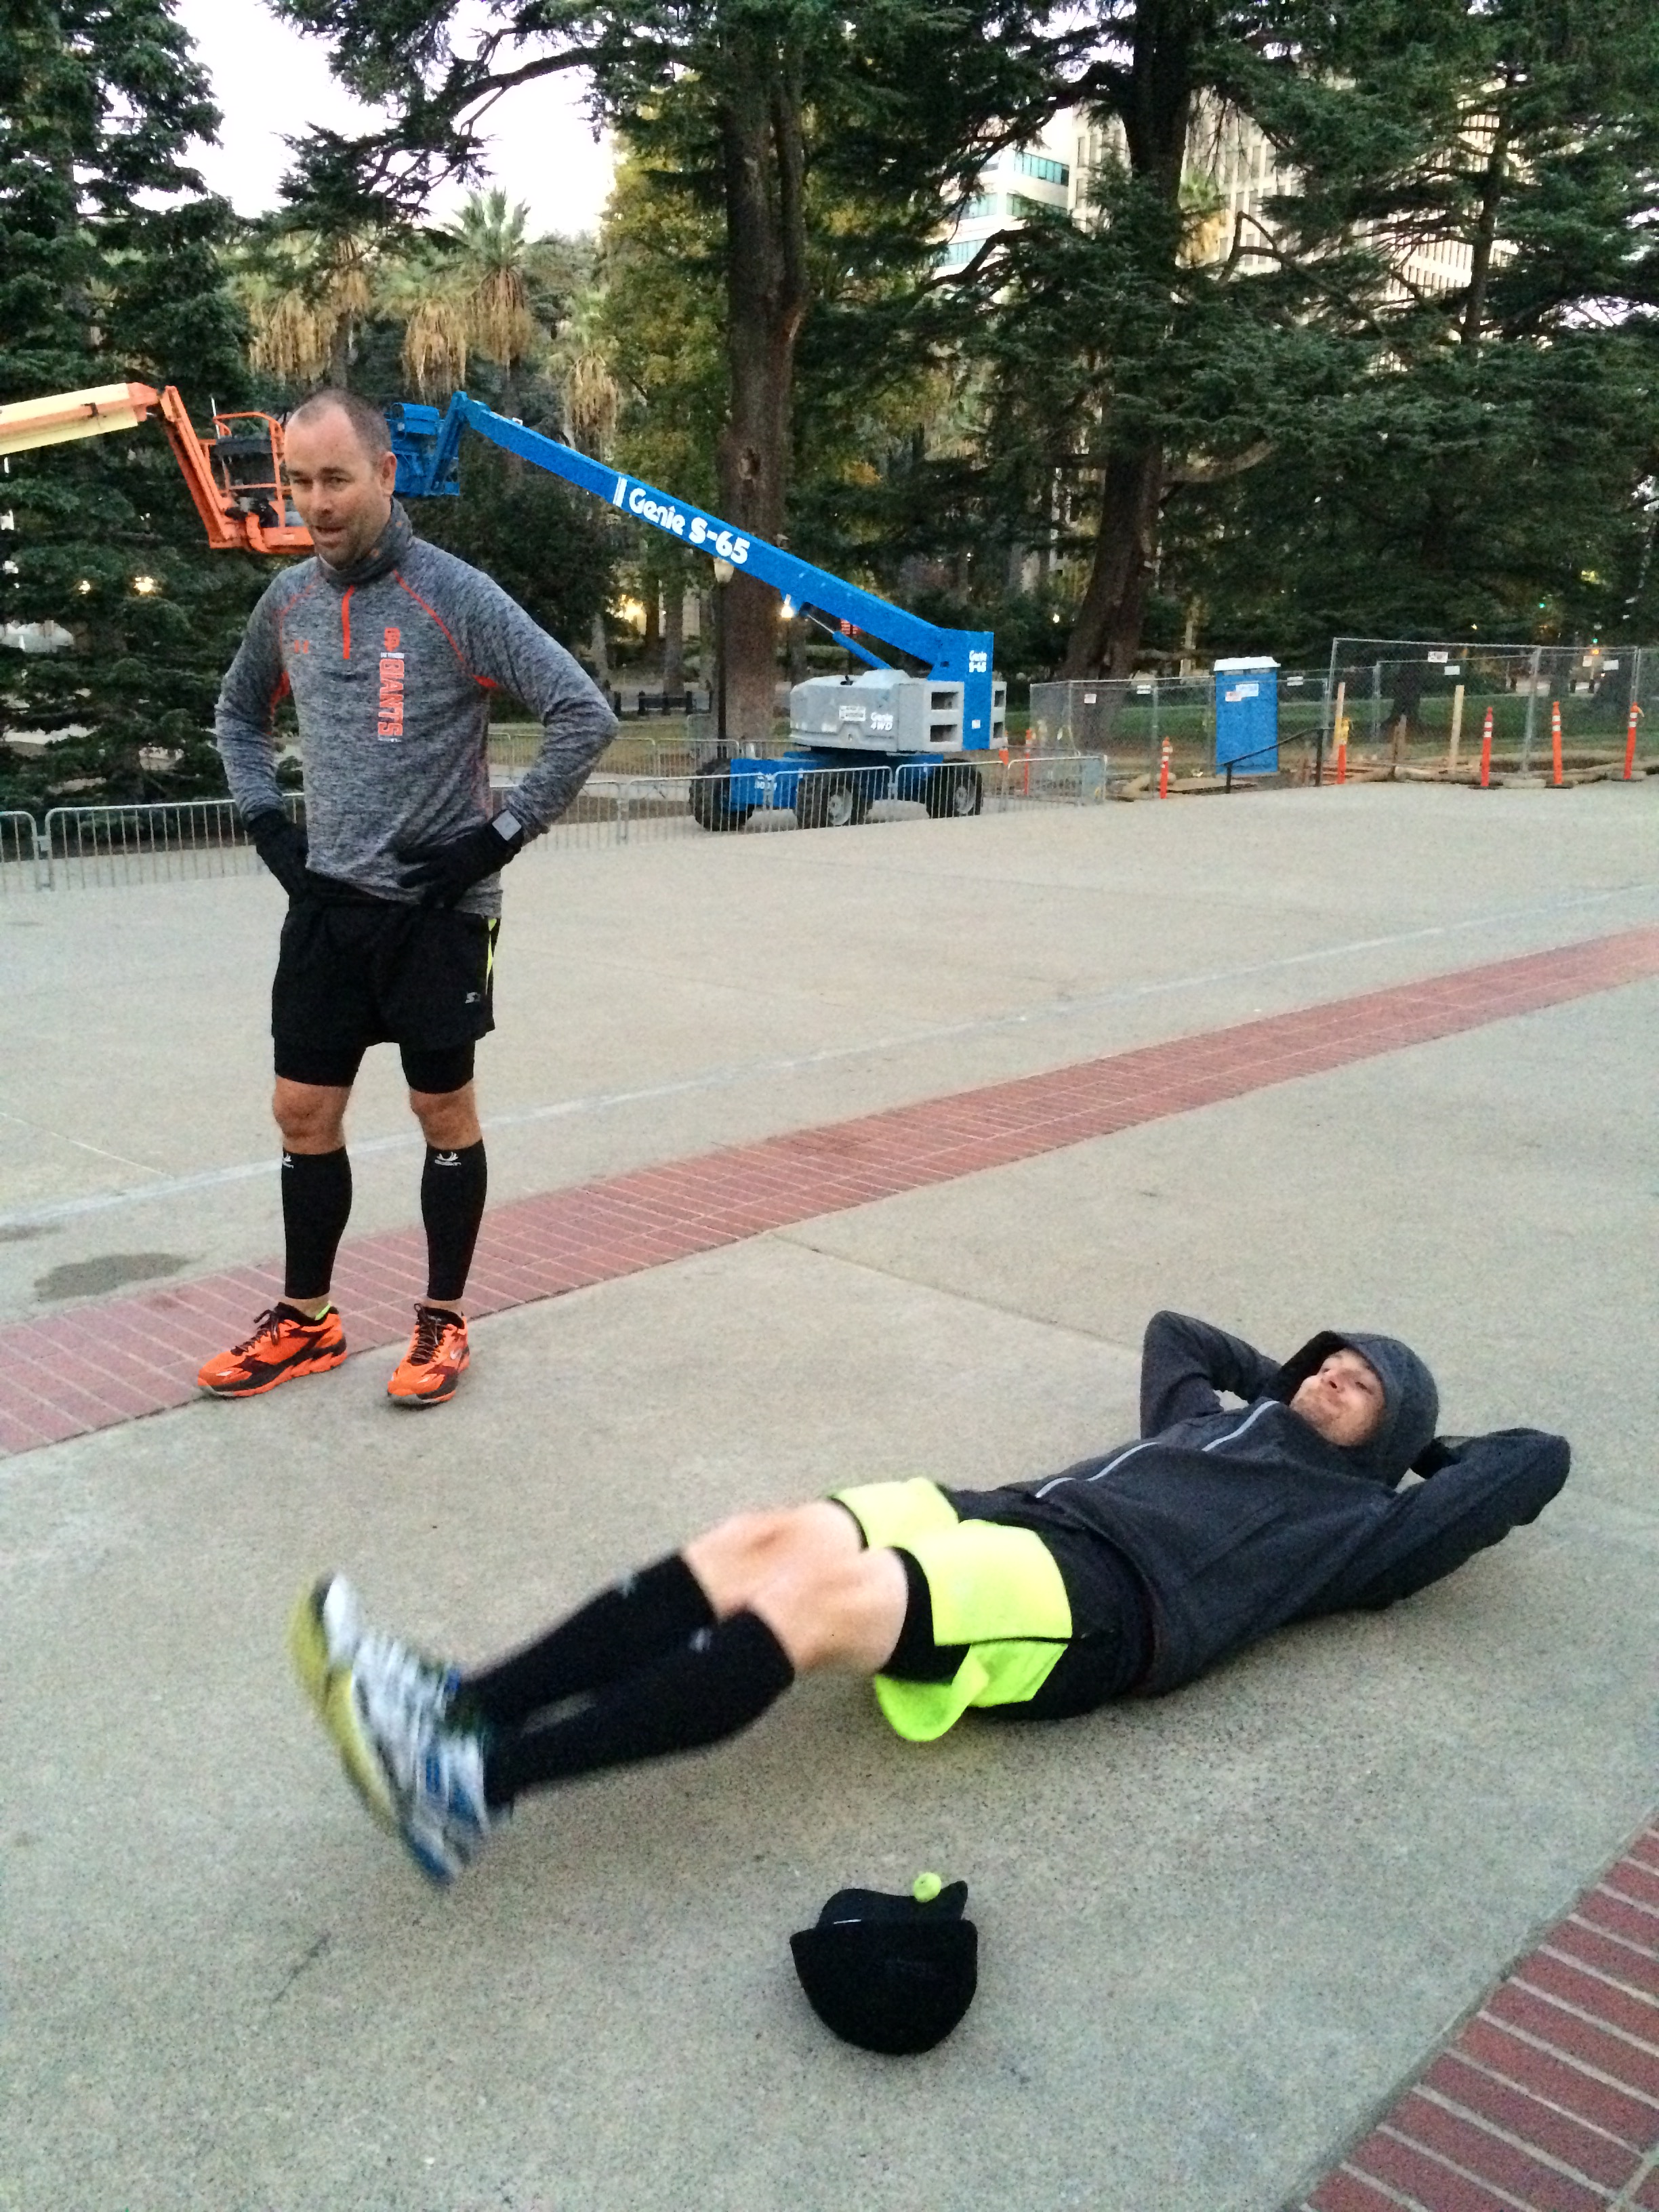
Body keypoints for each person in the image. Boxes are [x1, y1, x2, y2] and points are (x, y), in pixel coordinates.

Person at [290, 1311, 1570, 1882]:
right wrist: (1288, 1374)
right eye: (1332, 1361)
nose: (1334, 1377)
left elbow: (1533, 1464)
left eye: (1362, 1385)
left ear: (1392, 1434)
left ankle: (477, 1783)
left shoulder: (1358, 1527)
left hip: (1105, 1601)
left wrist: (1421, 1460)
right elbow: (1178, 1332)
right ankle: (461, 1700)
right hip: (1014, 1511)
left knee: (821, 1603)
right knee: (763, 1537)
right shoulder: (1208, 1416)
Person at [200, 388, 616, 1408]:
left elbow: (582, 714)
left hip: (439, 909)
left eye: (336, 480)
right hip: (327, 906)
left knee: (442, 1109)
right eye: (300, 482)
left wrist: (497, 837)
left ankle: (442, 1319)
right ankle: (308, 1320)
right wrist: (267, 822)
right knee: (302, 1112)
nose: (316, 503)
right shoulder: (287, 602)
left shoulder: (454, 596)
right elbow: (237, 713)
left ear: (386, 475)